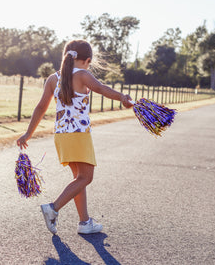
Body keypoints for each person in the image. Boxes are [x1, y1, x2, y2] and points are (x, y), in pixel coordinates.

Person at [17, 40, 133, 235]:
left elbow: (40, 107)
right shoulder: (83, 75)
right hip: (79, 135)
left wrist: (28, 133)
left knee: (78, 178)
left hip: (61, 135)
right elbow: (102, 89)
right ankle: (53, 208)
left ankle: (84, 222)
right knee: (86, 177)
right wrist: (122, 97)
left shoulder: (53, 79)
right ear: (87, 60)